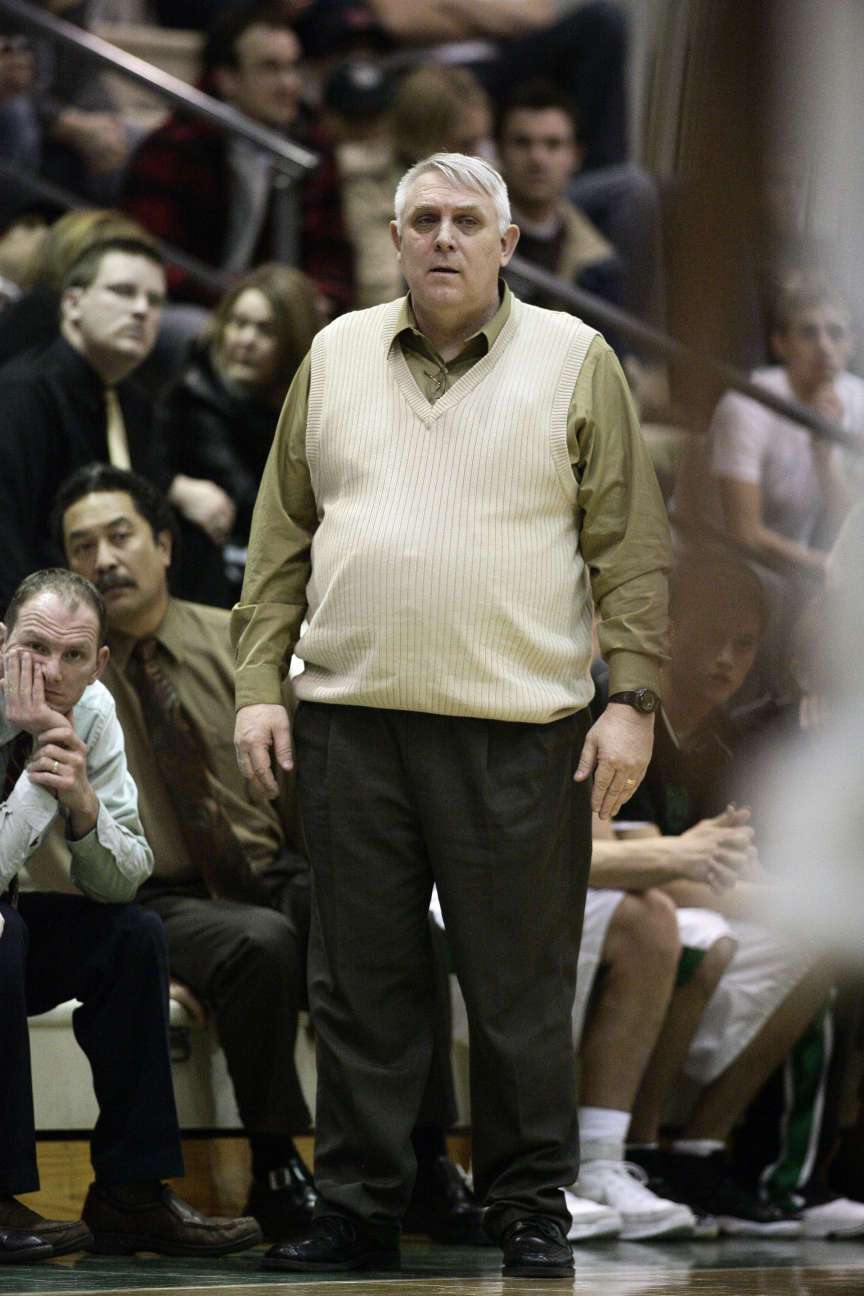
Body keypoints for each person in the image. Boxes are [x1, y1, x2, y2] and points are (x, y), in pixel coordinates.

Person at [232, 151, 671, 1278]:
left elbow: (630, 549)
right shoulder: (333, 354)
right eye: (422, 219)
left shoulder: (576, 359)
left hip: (519, 730)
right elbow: (278, 542)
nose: (442, 238)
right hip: (349, 722)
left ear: (507, 243)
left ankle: (529, 1205)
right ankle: (358, 1207)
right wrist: (256, 686)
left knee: (519, 986)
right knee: (359, 983)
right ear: (393, 239)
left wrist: (631, 701)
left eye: (466, 221)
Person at [54, 461, 484, 1244]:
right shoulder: (67, 673)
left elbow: (303, 780)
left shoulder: (235, 641)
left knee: (401, 926)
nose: (104, 560)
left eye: (120, 537)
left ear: (164, 545)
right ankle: (275, 1163)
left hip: (269, 868)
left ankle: (428, 1160)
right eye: (82, 548)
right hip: (158, 893)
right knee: (261, 943)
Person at [590, 553, 864, 1239]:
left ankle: (701, 1150)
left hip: (672, 901)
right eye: (714, 638)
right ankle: (636, 1149)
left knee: (815, 948)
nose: (727, 660)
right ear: (667, 632)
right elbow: (650, 868)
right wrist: (785, 900)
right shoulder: (619, 709)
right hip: (612, 899)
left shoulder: (722, 737)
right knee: (691, 934)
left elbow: (733, 863)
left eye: (744, 646)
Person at [0, 568, 262, 1262]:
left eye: (74, 655)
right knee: (4, 932)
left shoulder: (93, 709)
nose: (52, 671)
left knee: (133, 936)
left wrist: (85, 808)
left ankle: (131, 1195)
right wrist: (41, 764)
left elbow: (124, 882)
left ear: (100, 663)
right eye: (34, 648)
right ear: (1, 643)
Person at [0, 234, 235, 611]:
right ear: (73, 303)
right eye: (123, 292)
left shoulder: (132, 401)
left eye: (155, 300)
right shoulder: (22, 396)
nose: (141, 310)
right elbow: (8, 543)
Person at [121, 0, 352, 314]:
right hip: (185, 307)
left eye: (293, 66)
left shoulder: (311, 146)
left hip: (273, 314)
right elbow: (149, 256)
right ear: (227, 79)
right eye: (270, 68)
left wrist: (321, 298)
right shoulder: (177, 145)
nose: (289, 84)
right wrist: (237, 305)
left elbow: (332, 254)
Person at [157, 263, 322, 600]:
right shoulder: (195, 397)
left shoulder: (308, 401)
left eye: (265, 330)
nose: (246, 340)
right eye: (238, 323)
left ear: (292, 342)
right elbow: (257, 504)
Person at [496, 80, 624, 325]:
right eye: (522, 143)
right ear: (499, 151)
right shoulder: (466, 234)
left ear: (576, 156)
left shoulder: (596, 262)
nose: (537, 158)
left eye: (553, 145)